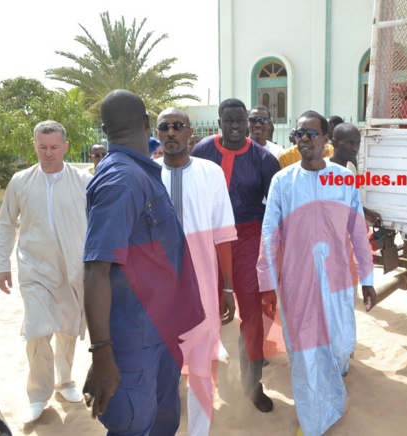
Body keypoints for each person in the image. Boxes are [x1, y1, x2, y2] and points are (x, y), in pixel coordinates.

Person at [82, 90, 204, 435]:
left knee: (162, 418)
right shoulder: (122, 180)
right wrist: (102, 354)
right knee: (133, 424)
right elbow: (95, 269)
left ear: (105, 129)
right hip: (134, 338)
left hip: (160, 330)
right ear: (147, 123)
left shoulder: (139, 172)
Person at [258, 110, 377, 436]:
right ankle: (312, 424)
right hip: (297, 283)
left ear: (326, 140)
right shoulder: (283, 181)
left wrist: (367, 279)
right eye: (300, 134)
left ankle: (333, 403)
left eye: (313, 134)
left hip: (338, 280)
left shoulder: (343, 178)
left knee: (339, 347)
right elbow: (270, 233)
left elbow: (357, 232)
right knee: (305, 355)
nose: (305, 139)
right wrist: (267, 283)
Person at [0, 120, 92, 423]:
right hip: (34, 269)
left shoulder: (84, 180)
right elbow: (7, 222)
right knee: (38, 330)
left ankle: (65, 383)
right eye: (42, 147)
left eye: (54, 147)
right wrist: (2, 264)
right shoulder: (20, 181)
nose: (48, 153)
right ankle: (38, 394)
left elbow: (100, 222)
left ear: (65, 147)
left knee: (67, 329)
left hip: (73, 269)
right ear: (34, 146)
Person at [191, 98, 280, 413]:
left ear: (248, 122)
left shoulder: (265, 159)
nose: (234, 126)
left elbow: (277, 208)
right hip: (209, 238)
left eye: (239, 120)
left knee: (252, 313)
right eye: (228, 120)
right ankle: (198, 381)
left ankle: (252, 385)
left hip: (248, 240)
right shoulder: (201, 151)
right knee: (201, 309)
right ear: (219, 122)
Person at [155, 107, 237, 435]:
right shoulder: (147, 174)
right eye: (165, 127)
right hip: (158, 292)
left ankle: (199, 431)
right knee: (163, 368)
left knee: (202, 367)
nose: (171, 132)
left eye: (178, 126)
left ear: (190, 132)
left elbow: (224, 233)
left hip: (201, 288)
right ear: (157, 133)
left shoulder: (210, 173)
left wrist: (227, 288)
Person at [329, 122, 383, 226]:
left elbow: (349, 202)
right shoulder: (323, 171)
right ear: (335, 142)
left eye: (357, 143)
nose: (355, 148)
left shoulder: (350, 168)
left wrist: (366, 212)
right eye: (350, 143)